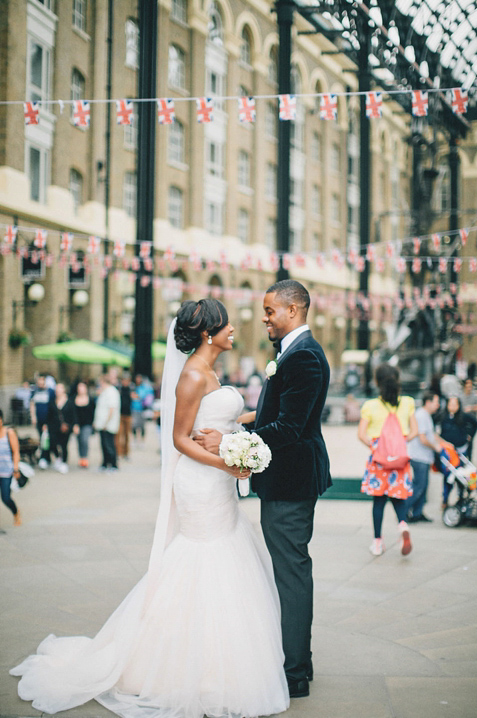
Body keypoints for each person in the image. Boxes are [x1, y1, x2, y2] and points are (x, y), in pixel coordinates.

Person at [9, 298, 289, 715]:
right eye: (227, 325)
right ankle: (174, 664)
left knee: (225, 557)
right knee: (201, 560)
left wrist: (249, 429)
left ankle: (211, 661)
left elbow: (219, 421)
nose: (234, 330)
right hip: (200, 483)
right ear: (209, 334)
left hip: (219, 482)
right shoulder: (192, 375)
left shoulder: (209, 370)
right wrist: (227, 462)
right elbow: (179, 439)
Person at [194, 279, 331, 699]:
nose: (265, 318)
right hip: (286, 478)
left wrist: (230, 443)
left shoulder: (304, 356)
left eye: (270, 310)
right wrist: (246, 421)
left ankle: (295, 672)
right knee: (290, 570)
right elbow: (285, 411)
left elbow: (290, 428)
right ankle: (297, 659)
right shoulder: (293, 352)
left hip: (291, 482)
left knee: (291, 572)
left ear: (294, 310)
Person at [358, 364, 418, 556]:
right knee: (398, 496)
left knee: (379, 500)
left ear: (377, 382)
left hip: (379, 461)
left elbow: (361, 434)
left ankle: (377, 542)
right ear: (397, 380)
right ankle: (402, 525)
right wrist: (399, 443)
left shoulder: (370, 406)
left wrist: (376, 447)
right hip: (400, 460)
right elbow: (414, 431)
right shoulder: (408, 402)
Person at [406, 391, 448, 523]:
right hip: (419, 457)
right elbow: (423, 439)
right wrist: (435, 447)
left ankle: (418, 513)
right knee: (419, 486)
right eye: (436, 402)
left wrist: (446, 444)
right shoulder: (421, 416)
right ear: (428, 402)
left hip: (424, 457)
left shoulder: (427, 416)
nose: (438, 405)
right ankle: (403, 512)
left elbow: (432, 435)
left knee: (423, 486)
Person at [436, 396, 477, 510]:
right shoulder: (443, 417)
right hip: (448, 452)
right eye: (451, 404)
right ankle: (445, 499)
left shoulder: (464, 416)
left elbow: (476, 423)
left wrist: (470, 436)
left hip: (461, 450)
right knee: (448, 475)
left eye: (455, 404)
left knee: (462, 476)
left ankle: (461, 498)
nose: (453, 407)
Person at [93, 372, 120, 472]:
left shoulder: (112, 392)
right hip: (102, 425)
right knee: (104, 445)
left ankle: (113, 464)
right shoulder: (104, 392)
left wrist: (105, 423)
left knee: (109, 445)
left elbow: (111, 409)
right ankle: (105, 463)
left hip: (108, 425)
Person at [0, 409, 23, 527]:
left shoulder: (9, 433)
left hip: (6, 472)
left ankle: (16, 512)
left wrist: (15, 468)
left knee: (5, 498)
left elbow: (16, 452)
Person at [47, 383, 72, 474]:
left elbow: (73, 415)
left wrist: (73, 425)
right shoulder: (52, 401)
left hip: (65, 427)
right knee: (53, 443)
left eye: (59, 389)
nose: (57, 391)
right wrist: (46, 425)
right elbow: (49, 415)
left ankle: (64, 462)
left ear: (64, 390)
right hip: (54, 426)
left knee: (64, 445)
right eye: (56, 389)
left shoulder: (69, 401)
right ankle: (58, 457)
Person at [30, 374, 53, 469]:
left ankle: (45, 457)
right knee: (42, 439)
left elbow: (52, 406)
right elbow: (32, 404)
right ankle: (45, 457)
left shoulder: (50, 392)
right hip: (39, 419)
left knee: (46, 439)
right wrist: (33, 417)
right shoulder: (35, 391)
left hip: (47, 419)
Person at [72, 381, 95, 469]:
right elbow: (72, 413)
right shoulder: (74, 399)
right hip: (78, 424)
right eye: (79, 388)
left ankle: (85, 458)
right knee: (79, 441)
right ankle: (81, 457)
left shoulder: (91, 399)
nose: (81, 389)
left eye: (82, 387)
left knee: (85, 440)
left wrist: (94, 422)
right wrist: (74, 424)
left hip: (87, 424)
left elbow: (93, 411)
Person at [117, 374, 133, 460]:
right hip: (120, 415)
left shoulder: (130, 390)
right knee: (119, 435)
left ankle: (126, 453)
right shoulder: (119, 390)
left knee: (127, 435)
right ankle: (119, 452)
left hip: (128, 415)